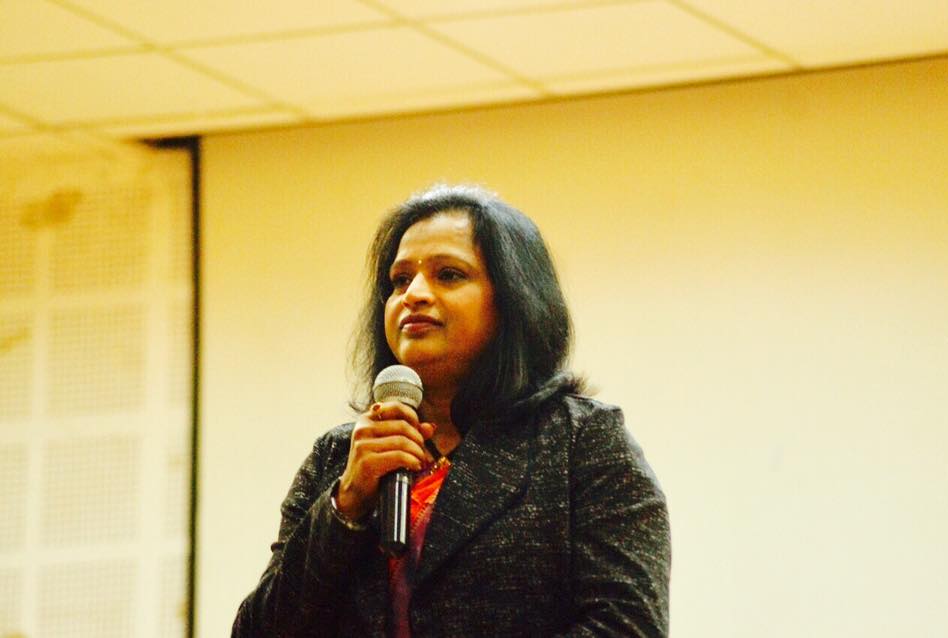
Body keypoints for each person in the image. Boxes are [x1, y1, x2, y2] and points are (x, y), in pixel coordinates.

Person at [232, 184, 670, 637]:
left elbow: (627, 627)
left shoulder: (583, 442)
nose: (414, 294)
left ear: (513, 299)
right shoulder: (338, 457)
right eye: (400, 280)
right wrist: (346, 506)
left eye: (448, 274)